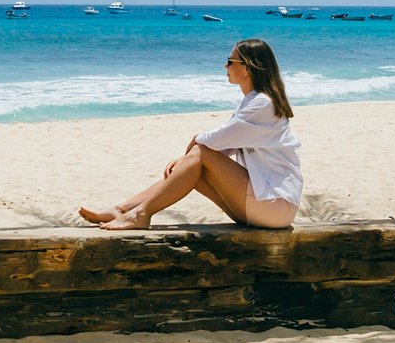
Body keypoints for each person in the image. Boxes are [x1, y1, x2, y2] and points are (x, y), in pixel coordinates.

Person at [79, 38, 301, 231]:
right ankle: (124, 209)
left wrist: (193, 146)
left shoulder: (262, 104)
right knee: (194, 166)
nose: (225, 65)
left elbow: (211, 141)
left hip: (275, 205)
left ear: (247, 68)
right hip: (262, 207)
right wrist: (187, 161)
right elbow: (224, 146)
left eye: (230, 61)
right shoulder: (253, 102)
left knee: (201, 153)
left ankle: (139, 214)